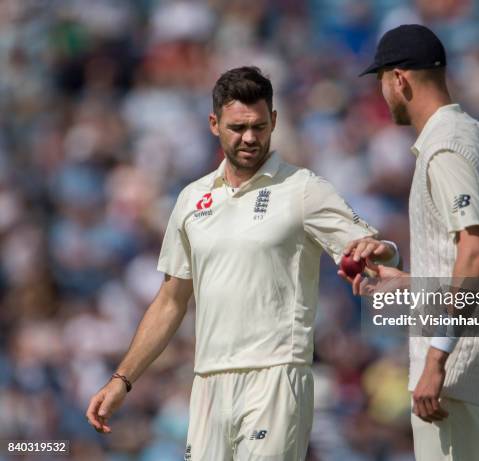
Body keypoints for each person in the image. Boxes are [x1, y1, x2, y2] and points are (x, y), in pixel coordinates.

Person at [85, 66, 399, 461]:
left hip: (276, 375)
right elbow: (170, 301)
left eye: (259, 126)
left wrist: (383, 251)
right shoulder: (191, 199)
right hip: (208, 383)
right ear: (214, 124)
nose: (250, 137)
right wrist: (122, 380)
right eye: (238, 127)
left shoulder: (303, 188)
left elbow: (366, 247)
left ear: (275, 122)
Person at [358, 25, 479, 461]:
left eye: (381, 82)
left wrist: (436, 358)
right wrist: (408, 282)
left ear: (399, 79)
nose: (382, 94)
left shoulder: (444, 147)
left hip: (455, 375)